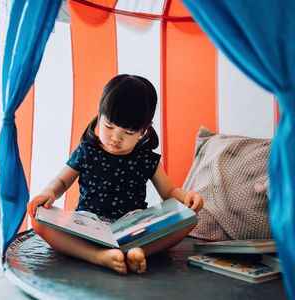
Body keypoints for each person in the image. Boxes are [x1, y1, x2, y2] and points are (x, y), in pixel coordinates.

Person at [28, 74, 203, 275]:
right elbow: (61, 180)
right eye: (109, 126)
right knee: (39, 222)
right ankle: (98, 255)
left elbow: (169, 191)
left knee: (190, 220)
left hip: (135, 226)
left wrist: (187, 197)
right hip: (89, 223)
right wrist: (49, 192)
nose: (115, 138)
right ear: (99, 115)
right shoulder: (87, 151)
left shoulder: (146, 158)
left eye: (128, 133)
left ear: (143, 131)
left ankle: (135, 251)